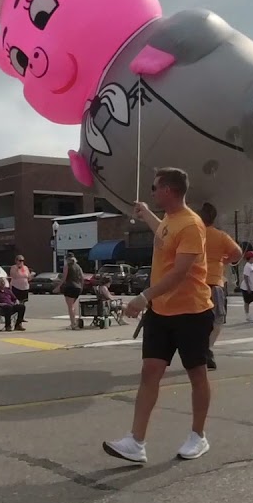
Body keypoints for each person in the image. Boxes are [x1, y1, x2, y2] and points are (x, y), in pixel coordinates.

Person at [103, 167, 214, 464]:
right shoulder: (169, 220)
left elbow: (180, 273)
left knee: (197, 374)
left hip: (191, 311)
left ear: (168, 190)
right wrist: (147, 215)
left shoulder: (191, 224)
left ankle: (198, 436)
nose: (151, 192)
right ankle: (135, 442)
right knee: (150, 371)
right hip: (162, 312)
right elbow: (165, 236)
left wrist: (144, 297)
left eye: (154, 188)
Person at [198, 203, 241, 370]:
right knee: (217, 319)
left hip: (197, 282)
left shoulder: (196, 234)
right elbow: (237, 253)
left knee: (197, 319)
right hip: (215, 282)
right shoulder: (220, 236)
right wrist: (226, 260)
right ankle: (207, 348)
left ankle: (199, 349)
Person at [58, 254, 85, 329]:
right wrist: (82, 287)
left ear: (67, 259)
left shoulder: (67, 266)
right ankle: (74, 322)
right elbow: (82, 277)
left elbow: (64, 278)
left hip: (70, 287)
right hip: (78, 288)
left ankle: (73, 324)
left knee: (70, 307)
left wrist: (58, 286)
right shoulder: (78, 267)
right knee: (73, 305)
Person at [9, 256, 32, 327]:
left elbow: (28, 277)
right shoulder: (13, 267)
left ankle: (21, 317)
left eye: (22, 260)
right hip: (16, 287)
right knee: (16, 302)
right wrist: (18, 269)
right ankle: (16, 316)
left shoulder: (25, 268)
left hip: (24, 287)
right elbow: (13, 276)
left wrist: (30, 276)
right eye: (20, 260)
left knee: (23, 302)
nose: (21, 262)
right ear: (16, 261)